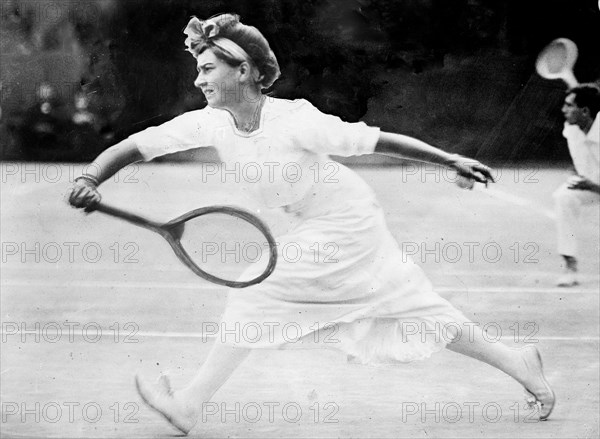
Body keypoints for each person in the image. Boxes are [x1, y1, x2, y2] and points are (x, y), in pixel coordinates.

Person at [68, 14, 555, 434]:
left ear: (247, 71)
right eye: (198, 69)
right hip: (318, 221)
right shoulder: (208, 122)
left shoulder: (296, 120)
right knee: (414, 308)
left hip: (345, 222)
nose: (199, 79)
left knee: (254, 290)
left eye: (208, 68)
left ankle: (190, 403)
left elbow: (377, 140)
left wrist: (447, 158)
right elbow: (136, 145)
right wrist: (93, 175)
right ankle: (520, 362)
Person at [553, 84, 600, 287]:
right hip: (589, 185)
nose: (563, 110)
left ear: (585, 111)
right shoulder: (571, 128)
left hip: (593, 186)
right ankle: (570, 266)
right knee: (564, 196)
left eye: (568, 105)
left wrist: (592, 185)